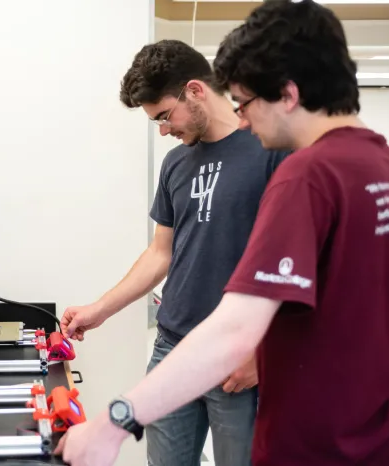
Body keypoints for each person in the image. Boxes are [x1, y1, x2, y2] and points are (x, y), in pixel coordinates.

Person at [55, 1, 389, 465]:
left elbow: (235, 328)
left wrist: (114, 421)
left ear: (288, 95)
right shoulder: (378, 163)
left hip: (310, 437)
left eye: (246, 103)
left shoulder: (305, 174)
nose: (245, 119)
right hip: (362, 435)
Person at [60, 39, 289, 466]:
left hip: (237, 353)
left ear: (196, 90)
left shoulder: (269, 150)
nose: (164, 130)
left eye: (165, 116)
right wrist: (101, 308)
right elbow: (160, 254)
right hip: (173, 347)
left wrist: (265, 349)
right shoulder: (175, 164)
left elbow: (295, 263)